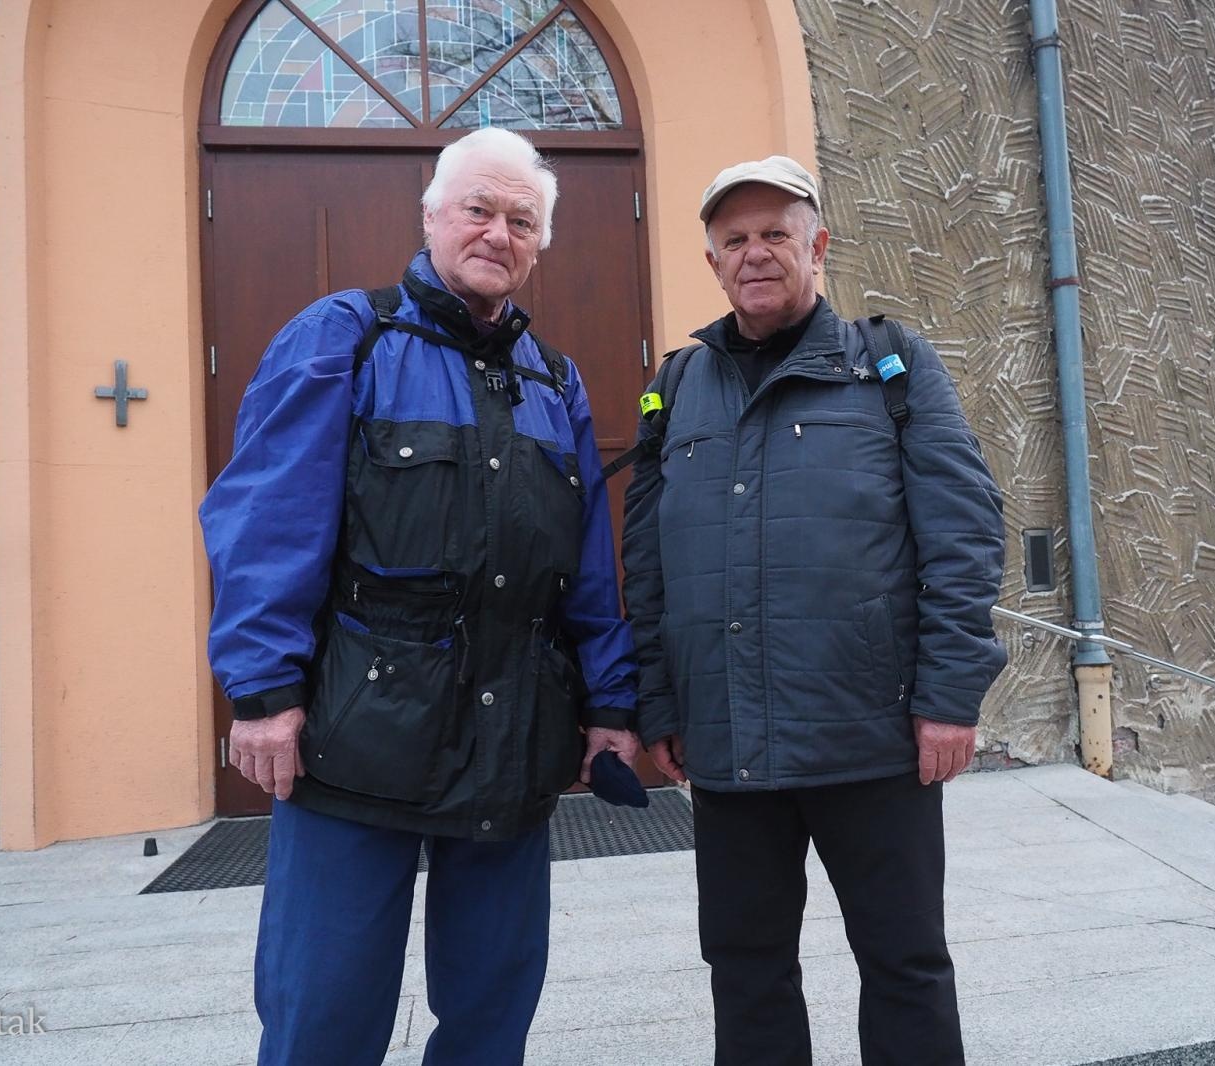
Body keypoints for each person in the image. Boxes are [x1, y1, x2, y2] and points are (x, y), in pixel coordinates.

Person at [199, 127, 639, 1065]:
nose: (498, 232)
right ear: (432, 213)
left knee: (490, 1018)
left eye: (521, 219)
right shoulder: (344, 336)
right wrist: (263, 694)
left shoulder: (553, 382)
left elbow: (586, 570)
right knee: (324, 1015)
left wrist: (610, 703)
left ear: (540, 243)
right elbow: (265, 520)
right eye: (478, 209)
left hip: (512, 745)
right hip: (355, 744)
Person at [621, 155, 1007, 1065]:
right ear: (713, 261)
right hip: (727, 744)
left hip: (870, 737)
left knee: (905, 963)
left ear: (817, 246)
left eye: (775, 235)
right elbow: (647, 565)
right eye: (735, 240)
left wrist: (950, 697)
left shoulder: (892, 366)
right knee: (747, 968)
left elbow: (963, 536)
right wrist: (660, 703)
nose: (755, 254)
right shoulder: (676, 387)